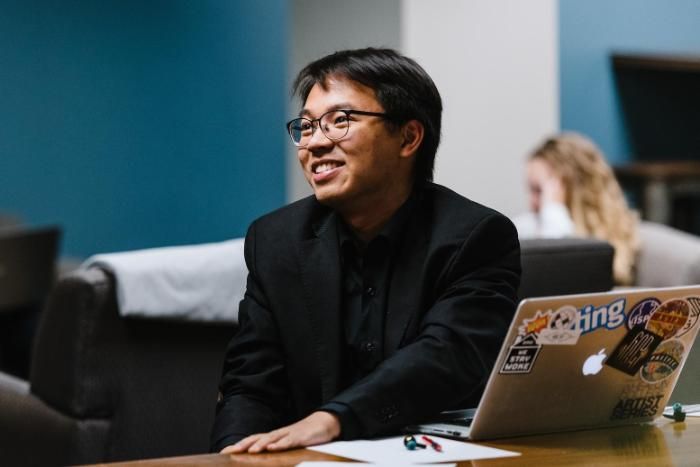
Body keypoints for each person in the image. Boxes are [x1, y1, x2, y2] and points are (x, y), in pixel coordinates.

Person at [211, 47, 521, 454]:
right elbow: (250, 383)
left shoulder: (475, 237)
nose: (315, 143)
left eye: (340, 121)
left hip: (436, 456)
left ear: (408, 137)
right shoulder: (275, 241)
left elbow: (445, 356)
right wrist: (233, 455)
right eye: (305, 127)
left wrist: (333, 419)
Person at [512, 132, 639, 285]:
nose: (532, 202)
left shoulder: (615, 234)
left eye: (539, 191)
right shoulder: (527, 227)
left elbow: (557, 268)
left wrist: (553, 209)